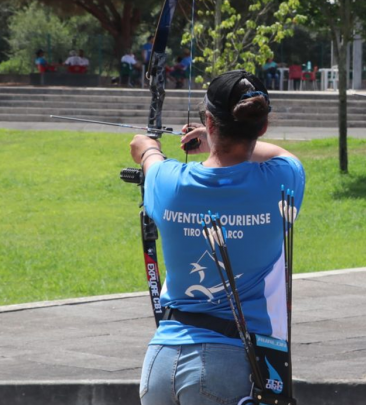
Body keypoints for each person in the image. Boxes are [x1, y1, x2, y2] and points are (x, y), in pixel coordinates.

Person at [130, 70, 305, 405]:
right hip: (233, 363)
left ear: (209, 122)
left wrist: (147, 147)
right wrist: (217, 139)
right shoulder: (282, 181)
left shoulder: (168, 182)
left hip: (160, 364)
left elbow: (150, 158)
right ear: (263, 126)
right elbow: (284, 156)